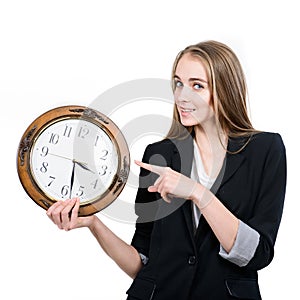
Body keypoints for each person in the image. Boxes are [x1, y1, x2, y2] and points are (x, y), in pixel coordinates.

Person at [47, 40, 287, 299]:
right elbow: (142, 263)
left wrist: (197, 192)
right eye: (178, 83)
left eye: (197, 85)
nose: (182, 96)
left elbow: (257, 254)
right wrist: (94, 223)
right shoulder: (158, 154)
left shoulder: (265, 149)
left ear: (225, 89)